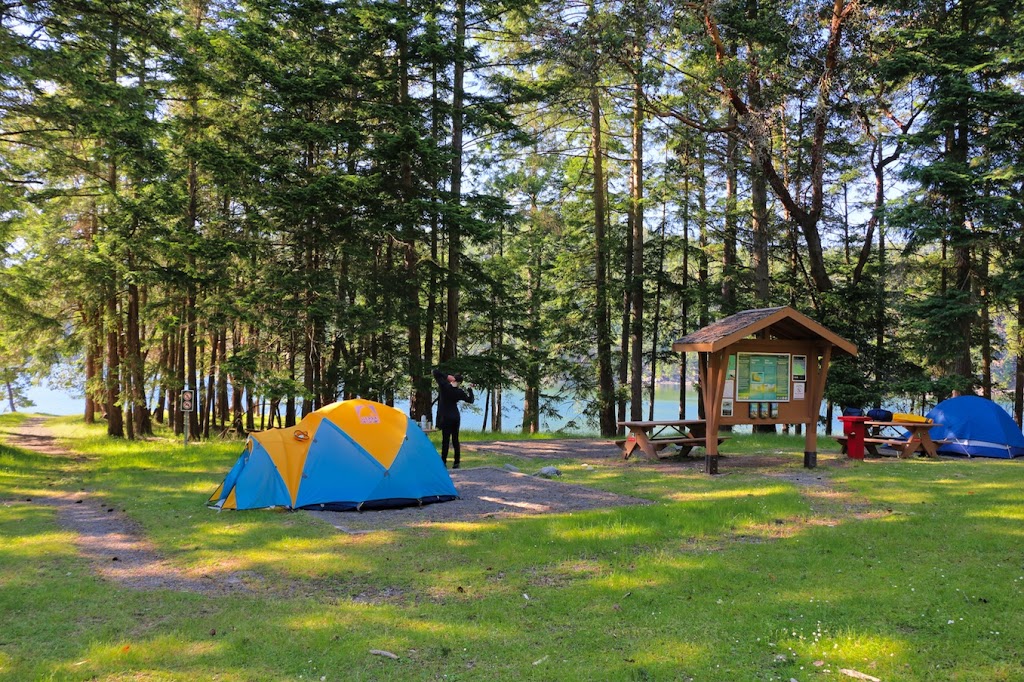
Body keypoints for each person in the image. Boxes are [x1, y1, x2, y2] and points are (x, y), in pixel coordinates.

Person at [432, 368, 474, 469]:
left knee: (445, 440)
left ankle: (443, 462)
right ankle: (456, 462)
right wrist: (470, 390)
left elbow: (435, 372)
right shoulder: (459, 392)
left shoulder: (444, 387)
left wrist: (446, 376)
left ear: (453, 379)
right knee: (455, 440)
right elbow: (470, 400)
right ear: (459, 382)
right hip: (455, 417)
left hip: (446, 417)